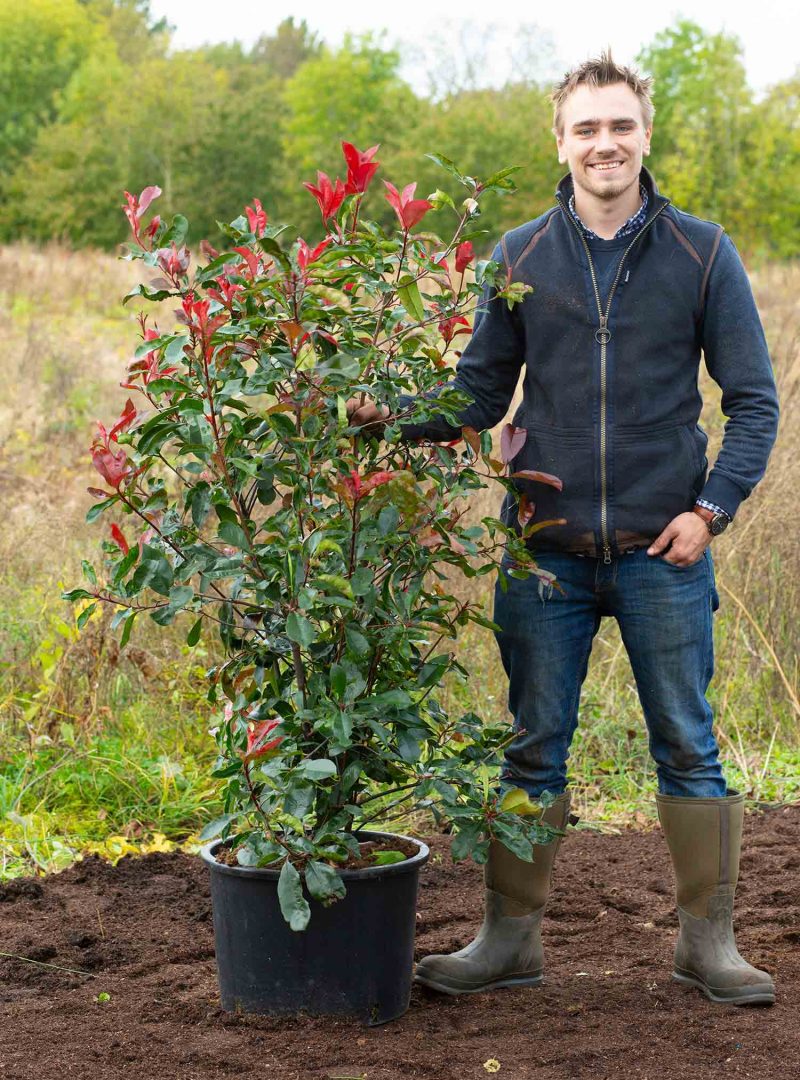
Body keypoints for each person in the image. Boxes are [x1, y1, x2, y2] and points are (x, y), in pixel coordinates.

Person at [347, 51, 779, 1006]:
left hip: (664, 555)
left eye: (619, 125)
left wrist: (710, 512)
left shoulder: (703, 253)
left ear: (645, 135)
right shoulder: (519, 256)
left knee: (689, 745)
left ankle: (707, 947)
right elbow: (476, 394)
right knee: (533, 746)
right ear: (560, 141)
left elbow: (753, 402)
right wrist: (384, 415)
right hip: (543, 554)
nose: (604, 144)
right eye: (586, 128)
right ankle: (510, 944)